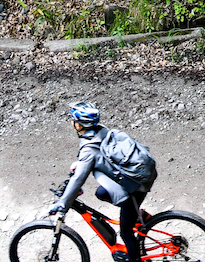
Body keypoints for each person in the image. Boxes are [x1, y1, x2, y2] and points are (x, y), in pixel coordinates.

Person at [49, 102, 155, 262]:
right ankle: (137, 215)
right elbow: (102, 156)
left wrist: (63, 203)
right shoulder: (100, 130)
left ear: (80, 125)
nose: (71, 122)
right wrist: (80, 165)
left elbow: (78, 179)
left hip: (137, 185)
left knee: (126, 232)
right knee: (101, 192)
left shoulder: (88, 149)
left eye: (73, 120)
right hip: (139, 176)